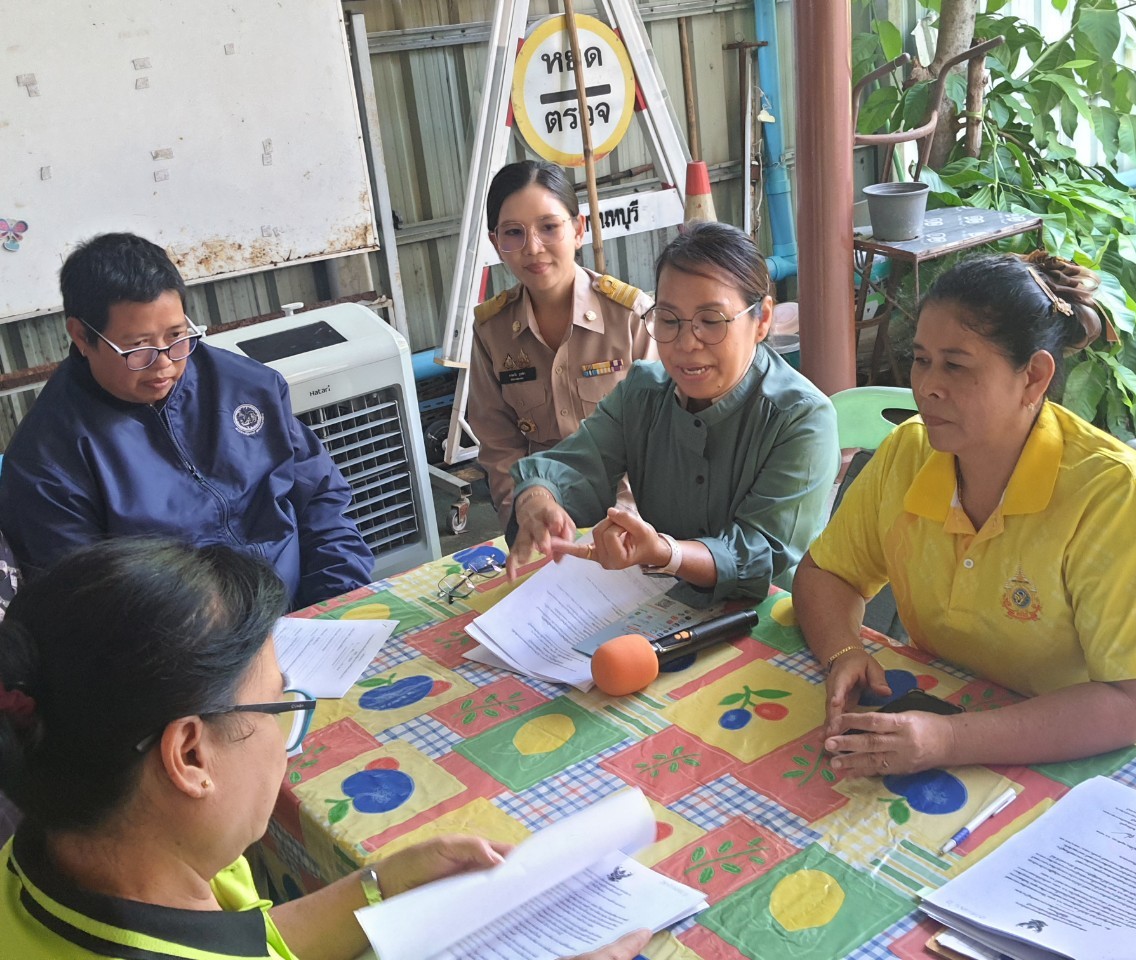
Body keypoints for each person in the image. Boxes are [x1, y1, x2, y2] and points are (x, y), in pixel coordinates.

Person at [0, 537, 650, 960]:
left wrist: (378, 884)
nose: (290, 748)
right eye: (281, 707)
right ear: (191, 757)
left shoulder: (53, 860)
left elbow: (254, 944)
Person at [795, 253, 1136, 779]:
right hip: (976, 723)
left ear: (1034, 378)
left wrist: (949, 739)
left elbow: (1135, 702)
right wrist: (843, 650)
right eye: (921, 359)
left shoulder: (1111, 492)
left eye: (956, 365)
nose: (927, 386)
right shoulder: (911, 453)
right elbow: (827, 573)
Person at [0, 232, 373, 610]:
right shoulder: (48, 460)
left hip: (303, 612)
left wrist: (335, 601)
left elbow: (321, 498)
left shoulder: (246, 386)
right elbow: (88, 604)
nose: (164, 364)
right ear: (82, 336)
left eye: (177, 336)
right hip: (183, 653)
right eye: (137, 347)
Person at [506, 221, 840, 606]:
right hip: (663, 603)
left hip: (768, 619)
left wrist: (668, 554)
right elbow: (577, 465)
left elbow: (761, 553)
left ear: (762, 320)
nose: (685, 344)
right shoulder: (644, 391)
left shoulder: (801, 418)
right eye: (668, 320)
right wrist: (538, 498)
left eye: (711, 321)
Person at [469, 160, 656, 525]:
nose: (533, 248)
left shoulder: (631, 318)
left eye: (549, 227)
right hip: (541, 518)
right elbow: (499, 445)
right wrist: (524, 515)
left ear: (578, 229)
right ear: (496, 243)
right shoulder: (492, 331)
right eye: (513, 233)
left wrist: (624, 521)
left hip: (635, 518)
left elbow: (657, 439)